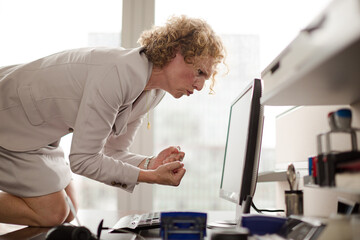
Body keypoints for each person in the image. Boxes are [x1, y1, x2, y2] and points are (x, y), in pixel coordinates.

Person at [0, 15, 226, 227]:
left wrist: (150, 164)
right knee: (54, 213)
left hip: (42, 133)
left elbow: (112, 150)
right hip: (11, 119)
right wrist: (148, 177)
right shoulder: (119, 73)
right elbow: (83, 160)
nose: (200, 86)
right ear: (176, 52)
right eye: (199, 72)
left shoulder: (153, 92)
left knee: (70, 210)